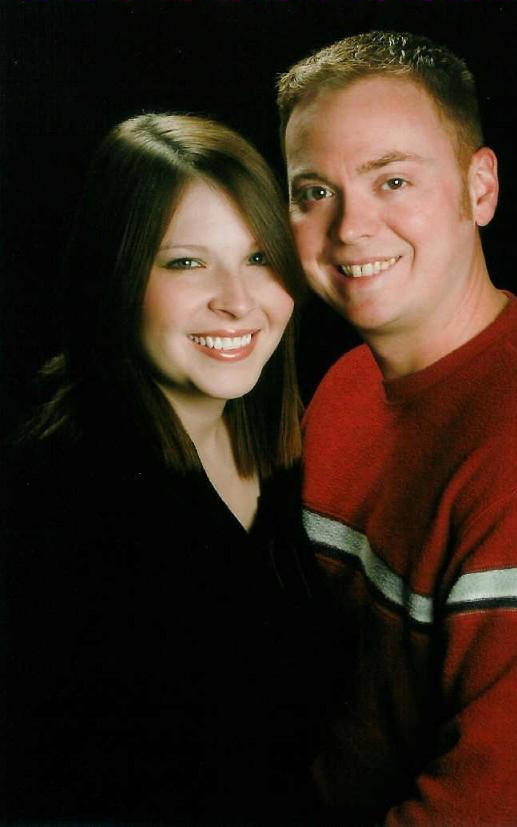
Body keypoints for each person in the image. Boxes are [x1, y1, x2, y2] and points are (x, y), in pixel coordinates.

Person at [277, 31, 517, 826]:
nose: (350, 227)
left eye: (392, 180)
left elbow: (506, 809)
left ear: (479, 189)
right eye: (314, 190)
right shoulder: (348, 383)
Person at [0, 113, 333, 825]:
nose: (237, 301)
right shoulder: (60, 504)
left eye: (258, 257)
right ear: (116, 275)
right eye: (186, 263)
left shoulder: (277, 440)